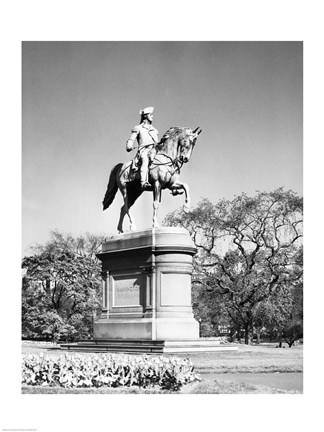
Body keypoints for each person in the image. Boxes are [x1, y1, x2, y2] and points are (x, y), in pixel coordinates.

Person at [126, 106, 159, 189]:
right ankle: (143, 181)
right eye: (150, 114)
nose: (152, 116)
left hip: (154, 150)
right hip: (144, 151)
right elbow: (131, 139)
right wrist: (129, 145)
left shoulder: (155, 130)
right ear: (145, 116)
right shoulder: (138, 128)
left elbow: (157, 143)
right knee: (145, 159)